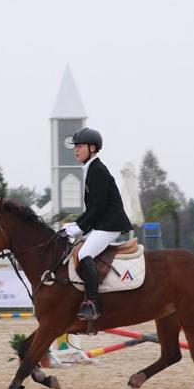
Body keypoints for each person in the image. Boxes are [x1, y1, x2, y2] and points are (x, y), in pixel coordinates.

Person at [61, 127, 133, 321]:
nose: (76, 150)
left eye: (80, 146)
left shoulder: (97, 170)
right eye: (75, 146)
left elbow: (99, 207)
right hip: (101, 223)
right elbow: (92, 208)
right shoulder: (90, 169)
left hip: (109, 225)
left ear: (92, 148)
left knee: (84, 254)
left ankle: (92, 303)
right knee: (74, 247)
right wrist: (75, 225)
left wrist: (80, 227)